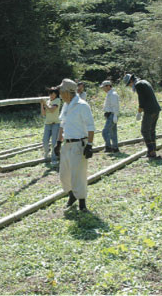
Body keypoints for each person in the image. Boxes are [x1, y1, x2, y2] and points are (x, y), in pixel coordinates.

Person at [54, 78, 95, 212]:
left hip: (79, 144)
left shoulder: (82, 105)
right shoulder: (66, 105)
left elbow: (91, 126)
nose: (59, 93)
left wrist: (89, 144)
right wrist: (58, 143)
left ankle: (82, 203)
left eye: (61, 90)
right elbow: (62, 125)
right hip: (67, 144)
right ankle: (72, 195)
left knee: (78, 175)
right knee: (64, 175)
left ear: (68, 92)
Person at [123, 74, 161, 159]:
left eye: (129, 84)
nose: (130, 86)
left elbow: (142, 100)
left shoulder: (138, 85)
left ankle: (151, 151)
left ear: (131, 81)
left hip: (149, 110)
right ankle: (153, 150)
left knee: (144, 131)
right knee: (151, 130)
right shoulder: (144, 82)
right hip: (156, 109)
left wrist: (139, 112)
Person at [40, 87, 61, 165]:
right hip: (47, 124)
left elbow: (52, 110)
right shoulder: (48, 101)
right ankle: (46, 151)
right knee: (45, 141)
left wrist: (45, 103)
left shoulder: (57, 100)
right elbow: (43, 114)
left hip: (55, 124)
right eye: (50, 94)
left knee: (54, 142)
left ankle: (54, 159)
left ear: (56, 94)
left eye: (53, 94)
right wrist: (42, 104)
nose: (51, 95)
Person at [100, 80, 120, 153]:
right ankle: (115, 148)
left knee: (105, 132)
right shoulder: (110, 94)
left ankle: (108, 147)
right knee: (113, 132)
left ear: (108, 86)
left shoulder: (113, 94)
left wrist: (115, 115)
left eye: (104, 87)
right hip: (110, 114)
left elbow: (115, 106)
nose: (103, 89)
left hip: (112, 115)